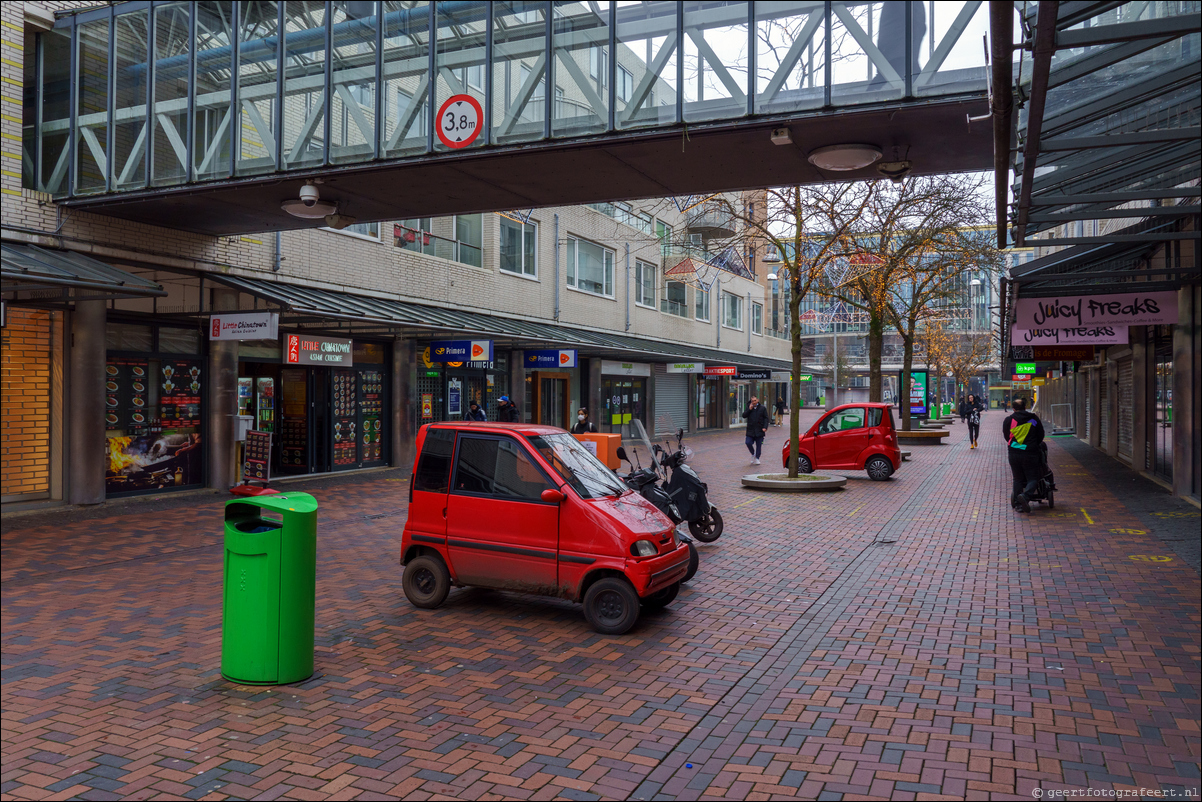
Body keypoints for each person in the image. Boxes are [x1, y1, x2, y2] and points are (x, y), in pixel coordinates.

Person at [1002, 397, 1045, 512]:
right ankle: (1025, 496)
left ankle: (1018, 504)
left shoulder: (1009, 420)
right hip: (1031, 452)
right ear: (1025, 407)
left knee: (1017, 479)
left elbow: (1006, 436)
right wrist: (1034, 444)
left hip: (1014, 452)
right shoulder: (1033, 419)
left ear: (1013, 408)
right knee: (1033, 478)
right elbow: (1041, 434)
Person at [741, 395, 771, 465]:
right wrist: (749, 409)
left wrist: (765, 427)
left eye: (755, 401)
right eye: (752, 401)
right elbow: (744, 415)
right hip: (750, 429)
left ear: (757, 400)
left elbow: (766, 418)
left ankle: (757, 458)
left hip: (759, 429)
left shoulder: (762, 408)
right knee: (748, 442)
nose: (753, 402)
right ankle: (753, 453)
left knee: (759, 445)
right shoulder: (749, 407)